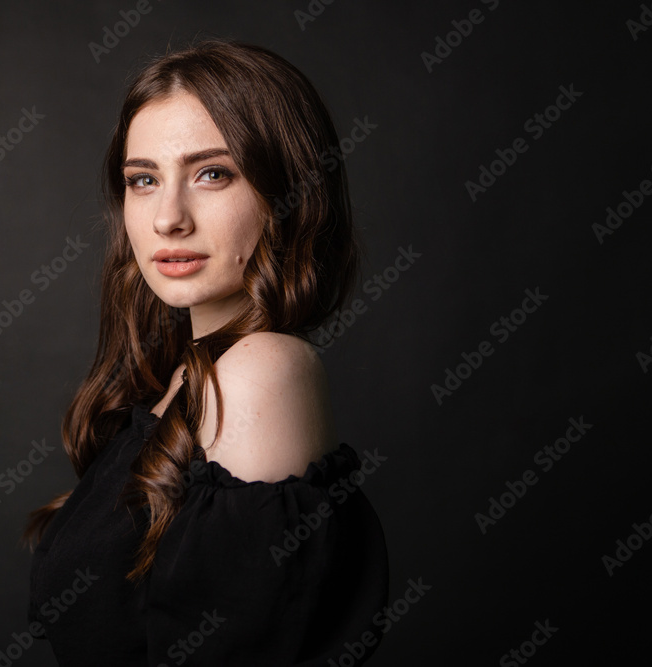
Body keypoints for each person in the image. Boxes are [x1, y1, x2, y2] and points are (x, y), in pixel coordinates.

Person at [24, 38, 389, 665]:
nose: (168, 218)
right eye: (143, 180)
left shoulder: (260, 370)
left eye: (212, 174)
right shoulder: (176, 381)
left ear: (288, 193)